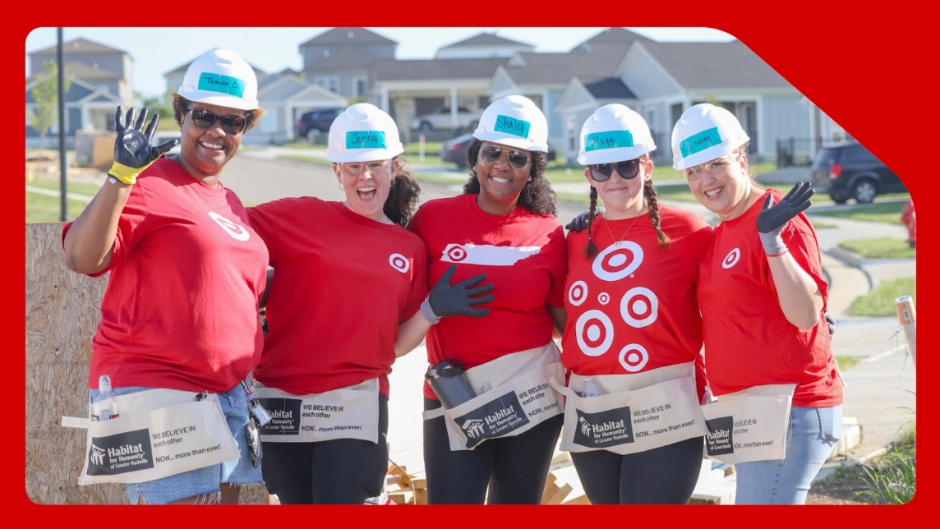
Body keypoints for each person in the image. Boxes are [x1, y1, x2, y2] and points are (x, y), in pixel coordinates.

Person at [245, 103, 493, 505]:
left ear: (393, 168)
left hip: (355, 402)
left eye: (376, 165)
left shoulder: (409, 249)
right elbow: (226, 232)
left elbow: (393, 345)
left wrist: (431, 310)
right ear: (337, 172)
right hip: (284, 399)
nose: (365, 176)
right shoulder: (300, 216)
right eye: (353, 166)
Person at [61, 48, 269, 504]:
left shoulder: (230, 202)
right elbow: (82, 257)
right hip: (160, 391)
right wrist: (120, 176)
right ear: (181, 113)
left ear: (245, 128)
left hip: (226, 396)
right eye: (204, 116)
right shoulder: (149, 182)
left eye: (232, 122)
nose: (216, 131)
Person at [670, 103, 843, 505]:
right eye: (693, 171)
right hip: (751, 411)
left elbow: (806, 314)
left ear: (742, 161)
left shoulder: (777, 219)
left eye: (716, 165)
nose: (706, 180)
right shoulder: (724, 229)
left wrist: (773, 243)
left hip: (790, 409)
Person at [407, 94, 568, 504]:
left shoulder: (549, 233)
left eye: (518, 157)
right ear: (475, 157)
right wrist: (432, 308)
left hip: (530, 394)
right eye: (492, 152)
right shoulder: (433, 218)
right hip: (455, 395)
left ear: (533, 169)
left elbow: (564, 324)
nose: (502, 164)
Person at [558, 104, 714, 504]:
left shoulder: (688, 230)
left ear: (647, 167)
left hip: (665, 401)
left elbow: (732, 289)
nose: (614, 178)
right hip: (594, 404)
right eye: (601, 169)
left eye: (626, 166)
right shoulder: (573, 240)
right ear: (588, 175)